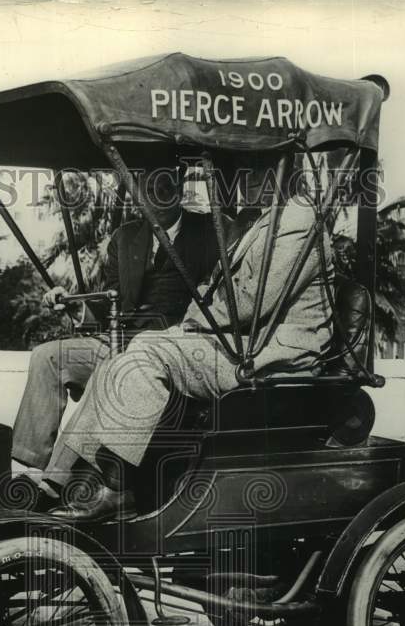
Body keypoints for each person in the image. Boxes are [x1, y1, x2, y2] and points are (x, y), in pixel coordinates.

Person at [46, 160, 335, 520]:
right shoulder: (257, 222)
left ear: (284, 174)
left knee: (145, 355)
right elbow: (212, 284)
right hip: (239, 343)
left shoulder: (299, 219)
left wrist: (196, 320)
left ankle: (117, 488)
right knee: (128, 354)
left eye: (256, 171)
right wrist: (198, 317)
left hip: (271, 357)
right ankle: (80, 478)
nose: (243, 181)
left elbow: (253, 300)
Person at [9, 168, 226, 499]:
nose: (156, 195)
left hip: (167, 350)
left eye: (165, 186)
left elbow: (219, 299)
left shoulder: (208, 234)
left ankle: (55, 483)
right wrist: (70, 304)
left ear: (180, 189)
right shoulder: (126, 238)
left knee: (112, 371)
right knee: (47, 357)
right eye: (147, 188)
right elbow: (111, 304)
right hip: (116, 340)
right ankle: (30, 470)